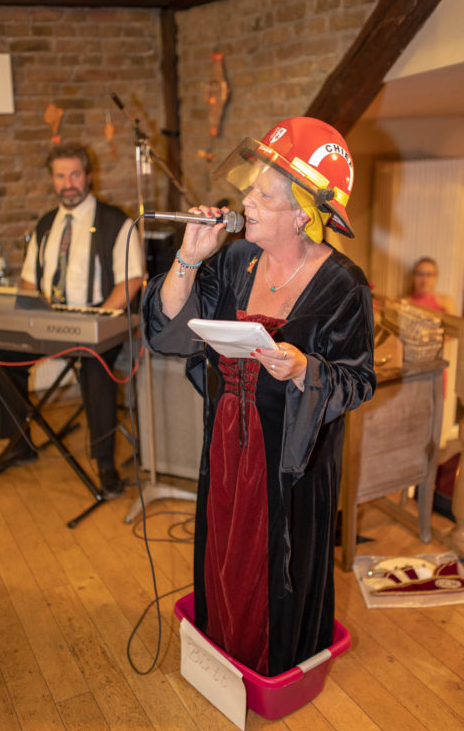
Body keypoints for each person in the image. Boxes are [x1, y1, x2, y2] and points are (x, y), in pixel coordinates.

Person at [142, 117, 376, 676]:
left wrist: (303, 369)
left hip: (293, 463)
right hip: (226, 445)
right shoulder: (233, 260)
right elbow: (166, 332)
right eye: (251, 188)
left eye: (263, 195)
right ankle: (222, 652)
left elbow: (359, 379)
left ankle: (277, 669)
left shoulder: (344, 285)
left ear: (302, 215)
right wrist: (189, 257)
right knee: (224, 552)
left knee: (278, 567)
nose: (245, 200)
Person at [0, 142, 143, 496]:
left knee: (96, 367)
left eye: (74, 174)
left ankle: (105, 467)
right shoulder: (45, 225)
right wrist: (26, 320)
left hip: (99, 323)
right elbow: (28, 282)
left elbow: (131, 279)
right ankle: (19, 443)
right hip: (48, 323)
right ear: (52, 180)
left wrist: (96, 321)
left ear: (88, 176)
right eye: (60, 176)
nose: (68, 184)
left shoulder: (117, 222)